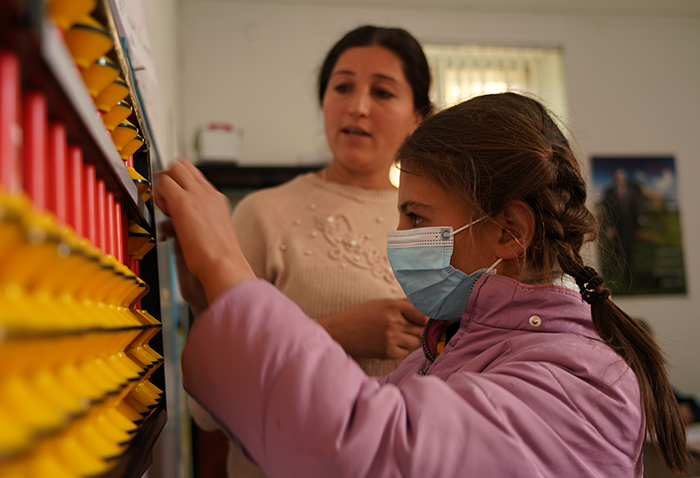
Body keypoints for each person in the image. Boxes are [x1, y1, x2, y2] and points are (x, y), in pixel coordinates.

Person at [156, 93, 689, 477]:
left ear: (509, 231)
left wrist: (226, 261)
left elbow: (364, 450)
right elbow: (308, 426)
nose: (400, 236)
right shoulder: (443, 348)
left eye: (415, 216)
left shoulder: (578, 382)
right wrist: (210, 284)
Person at [183, 25, 432, 477]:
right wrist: (334, 333)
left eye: (382, 92)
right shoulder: (263, 213)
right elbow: (208, 405)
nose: (357, 106)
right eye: (342, 87)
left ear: (418, 116)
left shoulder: (440, 224)